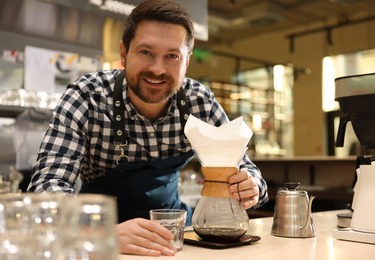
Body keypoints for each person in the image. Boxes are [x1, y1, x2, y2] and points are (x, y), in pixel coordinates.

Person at [27, 0, 268, 256]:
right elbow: (46, 188)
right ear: (123, 53)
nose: (157, 69)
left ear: (186, 62)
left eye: (172, 56)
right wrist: (99, 232)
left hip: (173, 241)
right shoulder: (87, 97)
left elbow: (249, 173)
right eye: (146, 52)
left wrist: (249, 185)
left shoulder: (199, 102)